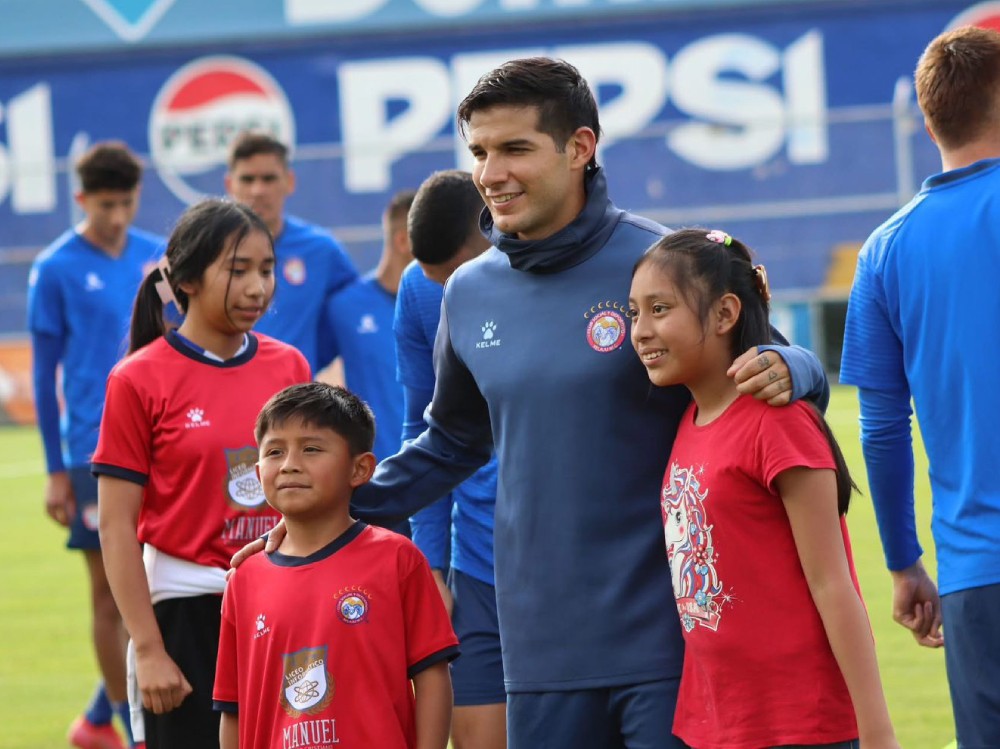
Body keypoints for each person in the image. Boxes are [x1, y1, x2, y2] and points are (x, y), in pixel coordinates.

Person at [237, 57, 828, 748]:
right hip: (539, 646)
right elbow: (451, 440)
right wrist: (336, 498)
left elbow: (774, 359)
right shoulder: (468, 291)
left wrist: (796, 365)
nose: (492, 173)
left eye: (516, 148)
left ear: (580, 147)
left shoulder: (661, 261)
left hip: (671, 636)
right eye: (480, 152)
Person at [629, 228, 898, 749]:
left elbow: (833, 584)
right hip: (719, 722)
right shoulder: (689, 421)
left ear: (726, 314)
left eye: (660, 309)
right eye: (635, 312)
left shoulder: (778, 422)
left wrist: (877, 732)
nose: (640, 330)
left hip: (800, 723)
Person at [93, 199, 311, 749]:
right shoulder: (138, 379)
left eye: (266, 270)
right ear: (187, 278)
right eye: (238, 271)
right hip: (184, 614)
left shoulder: (289, 367)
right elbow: (117, 525)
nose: (258, 287)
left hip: (281, 597)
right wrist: (147, 647)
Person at [840, 25, 1000, 749]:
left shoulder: (885, 252)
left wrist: (904, 561)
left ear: (929, 119)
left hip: (975, 575)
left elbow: (881, 427)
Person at [213, 382, 459, 748]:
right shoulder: (245, 578)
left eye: (311, 449)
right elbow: (233, 708)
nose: (290, 465)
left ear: (360, 469)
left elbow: (433, 678)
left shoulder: (397, 558)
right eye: (275, 452)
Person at [27, 140, 162, 749]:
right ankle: (125, 727)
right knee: (109, 592)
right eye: (106, 204)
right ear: (81, 198)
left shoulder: (155, 256)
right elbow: (43, 371)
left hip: (160, 443)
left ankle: (96, 720)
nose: (117, 216)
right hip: (92, 450)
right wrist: (55, 470)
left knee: (161, 585)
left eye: (126, 203)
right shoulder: (54, 268)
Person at [399, 170, 504, 749]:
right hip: (475, 565)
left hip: (570, 570)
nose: (451, 293)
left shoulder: (584, 272)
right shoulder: (417, 290)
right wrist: (430, 563)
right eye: (439, 282)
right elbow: (422, 430)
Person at [224, 131, 357, 373]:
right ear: (230, 184)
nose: (258, 190)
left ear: (289, 181)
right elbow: (170, 311)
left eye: (268, 179)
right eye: (247, 179)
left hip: (291, 400)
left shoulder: (321, 250)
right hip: (223, 390)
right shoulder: (207, 247)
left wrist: (312, 357)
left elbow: (353, 312)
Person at [325, 189, 416, 464]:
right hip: (376, 476)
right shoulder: (344, 307)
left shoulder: (447, 300)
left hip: (443, 476)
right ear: (403, 241)